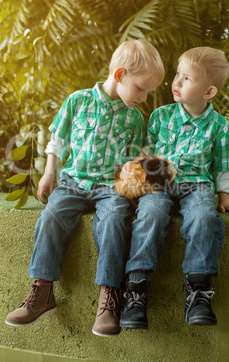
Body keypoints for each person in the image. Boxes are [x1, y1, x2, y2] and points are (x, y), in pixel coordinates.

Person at [5, 38, 168, 337]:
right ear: (119, 75)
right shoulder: (78, 100)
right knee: (52, 217)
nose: (144, 97)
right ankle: (42, 291)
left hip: (109, 187)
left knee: (115, 221)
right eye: (141, 88)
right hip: (73, 181)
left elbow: (132, 159)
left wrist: (139, 178)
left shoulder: (133, 117)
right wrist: (49, 172)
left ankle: (109, 298)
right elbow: (59, 139)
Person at [119, 47, 229, 328]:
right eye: (177, 74)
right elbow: (146, 155)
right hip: (160, 184)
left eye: (187, 78)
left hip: (198, 186)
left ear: (209, 92)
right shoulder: (161, 116)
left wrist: (224, 198)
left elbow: (223, 166)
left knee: (204, 217)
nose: (176, 82)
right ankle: (136, 290)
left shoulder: (219, 126)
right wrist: (135, 169)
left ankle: (199, 292)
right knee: (151, 213)